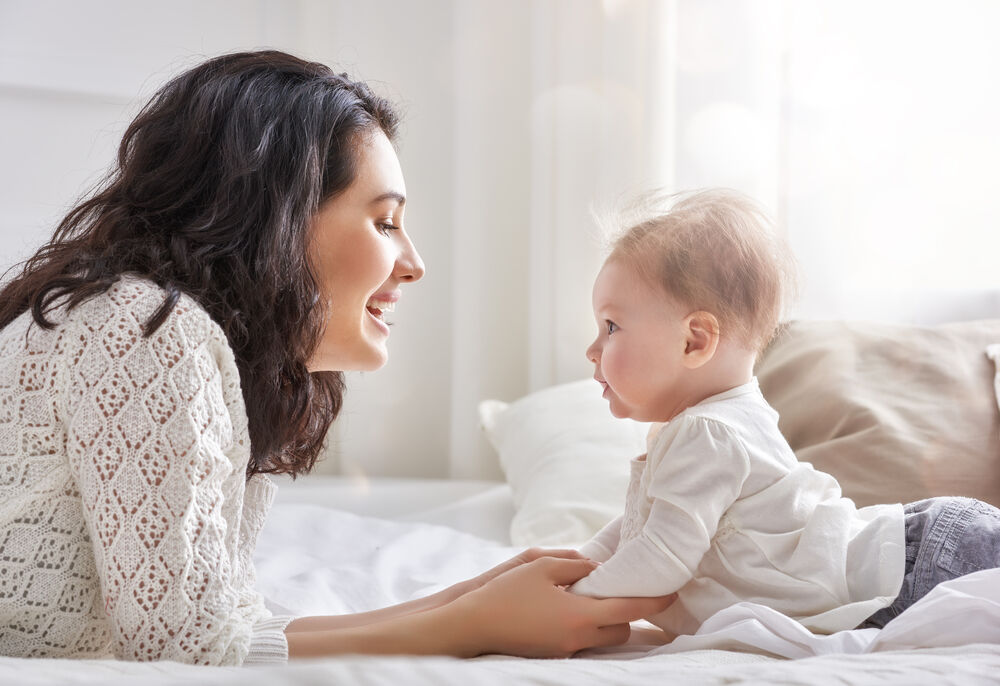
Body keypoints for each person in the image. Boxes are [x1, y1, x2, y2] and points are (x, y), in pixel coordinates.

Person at [0, 50, 672, 666]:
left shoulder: (179, 339)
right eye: (384, 221)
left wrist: (470, 597)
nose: (414, 264)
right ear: (276, 217)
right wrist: (471, 626)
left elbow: (232, 625)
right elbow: (183, 650)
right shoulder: (144, 330)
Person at [568, 189, 1000, 639]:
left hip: (924, 567)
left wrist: (572, 596)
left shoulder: (707, 432)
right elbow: (641, 525)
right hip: (929, 549)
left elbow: (660, 558)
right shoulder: (719, 421)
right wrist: (573, 564)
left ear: (694, 341)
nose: (592, 349)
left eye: (612, 326)